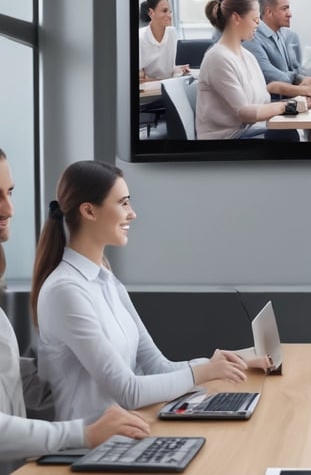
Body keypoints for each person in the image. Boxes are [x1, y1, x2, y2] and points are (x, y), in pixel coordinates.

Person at [31, 160, 270, 422]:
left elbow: (157, 366)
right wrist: (205, 372)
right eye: (123, 203)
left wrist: (224, 363)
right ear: (89, 211)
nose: (132, 213)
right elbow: (128, 392)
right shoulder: (65, 291)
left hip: (129, 430)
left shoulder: (106, 279)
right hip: (84, 449)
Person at [0, 148, 151, 463]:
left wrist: (63, 370)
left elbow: (9, 377)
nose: (10, 209)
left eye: (10, 192)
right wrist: (83, 432)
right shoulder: (64, 286)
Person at [196, 0, 311, 140]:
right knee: (287, 136)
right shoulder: (218, 58)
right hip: (227, 139)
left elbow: (262, 100)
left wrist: (298, 101)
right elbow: (246, 113)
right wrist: (288, 105)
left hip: (248, 130)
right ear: (236, 18)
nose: (258, 26)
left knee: (292, 133)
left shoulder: (247, 56)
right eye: (255, 20)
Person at [246, 0, 311, 100]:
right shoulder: (252, 38)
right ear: (269, 12)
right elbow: (275, 77)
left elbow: (296, 70)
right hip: (269, 106)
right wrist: (299, 79)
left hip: (289, 101)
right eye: (284, 9)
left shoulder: (284, 35)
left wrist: (308, 81)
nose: (290, 14)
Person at [138, 0, 189, 82]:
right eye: (164, 11)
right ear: (151, 12)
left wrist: (177, 69)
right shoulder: (141, 38)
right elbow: (139, 78)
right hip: (150, 92)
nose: (169, 16)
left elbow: (167, 69)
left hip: (169, 87)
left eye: (170, 11)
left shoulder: (172, 33)